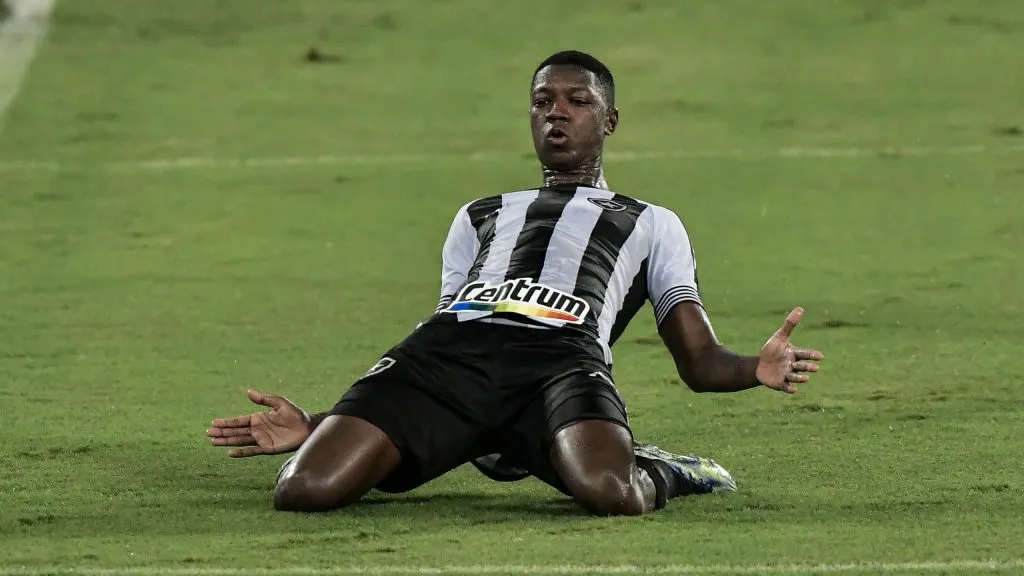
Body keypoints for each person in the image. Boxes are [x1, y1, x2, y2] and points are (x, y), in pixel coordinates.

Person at [207, 50, 823, 516]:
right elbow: (450, 325)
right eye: (542, 100)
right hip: (450, 357)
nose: (556, 111)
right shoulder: (480, 213)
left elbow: (697, 361)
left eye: (577, 101)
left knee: (613, 493)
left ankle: (671, 470)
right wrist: (321, 423)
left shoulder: (651, 222)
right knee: (302, 489)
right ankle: (498, 438)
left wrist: (754, 369)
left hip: (561, 365)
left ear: (610, 120)